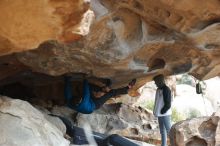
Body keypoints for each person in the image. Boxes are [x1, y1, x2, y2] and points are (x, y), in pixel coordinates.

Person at [64, 75, 136, 114]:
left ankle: (104, 88)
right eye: (82, 99)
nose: (82, 98)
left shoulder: (69, 101)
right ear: (81, 101)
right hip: (95, 105)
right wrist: (85, 79)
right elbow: (86, 93)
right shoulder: (84, 102)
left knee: (89, 87)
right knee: (111, 93)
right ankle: (127, 88)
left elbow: (67, 91)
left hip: (87, 103)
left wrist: (67, 80)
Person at [153, 74, 172, 146]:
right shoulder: (158, 89)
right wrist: (156, 111)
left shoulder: (166, 89)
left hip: (165, 114)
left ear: (160, 82)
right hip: (160, 114)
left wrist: (162, 111)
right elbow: (157, 101)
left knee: (169, 131)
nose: (155, 84)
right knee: (162, 131)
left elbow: (168, 104)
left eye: (156, 82)